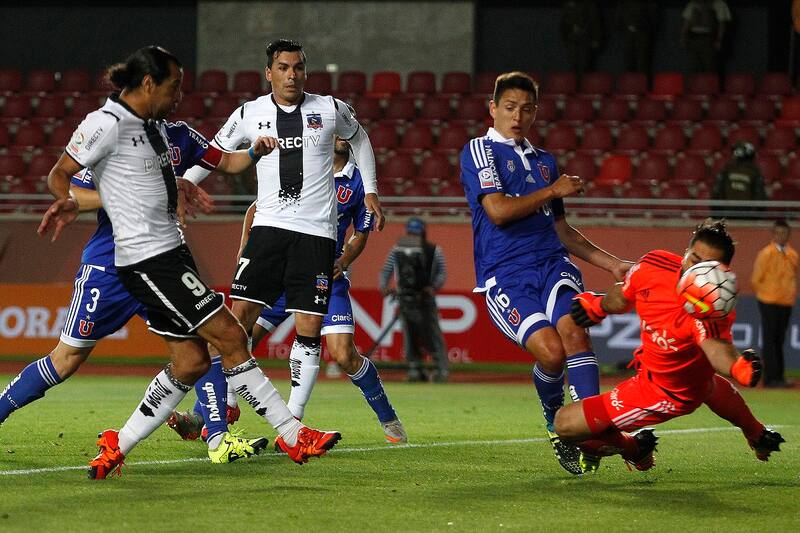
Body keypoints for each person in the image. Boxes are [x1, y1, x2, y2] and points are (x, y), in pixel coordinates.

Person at [38, 46, 341, 479]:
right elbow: (59, 175)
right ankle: (293, 434)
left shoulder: (166, 131)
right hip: (146, 259)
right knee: (230, 336)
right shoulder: (105, 124)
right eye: (175, 85)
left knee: (192, 362)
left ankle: (116, 445)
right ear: (148, 83)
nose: (180, 94)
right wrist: (77, 200)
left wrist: (249, 154)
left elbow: (223, 161)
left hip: (170, 254)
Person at [181, 39, 383, 447]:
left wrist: (372, 190)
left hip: (317, 234)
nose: (292, 75)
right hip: (269, 231)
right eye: (284, 67)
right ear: (269, 73)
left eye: (298, 67)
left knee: (308, 328)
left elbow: (360, 139)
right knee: (236, 324)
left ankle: (293, 422)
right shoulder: (249, 113)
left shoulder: (330, 109)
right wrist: (184, 185)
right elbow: (215, 153)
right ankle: (221, 413)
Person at [170, 137, 407, 444]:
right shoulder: (302, 163)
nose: (339, 138)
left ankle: (386, 416)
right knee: (234, 337)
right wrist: (246, 247)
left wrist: (344, 260)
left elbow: (361, 233)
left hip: (322, 275)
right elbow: (257, 208)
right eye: (334, 132)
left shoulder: (359, 181)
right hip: (280, 273)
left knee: (343, 354)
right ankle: (206, 415)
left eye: (344, 133)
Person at [459, 71, 631, 475]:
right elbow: (497, 211)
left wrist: (613, 264)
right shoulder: (479, 151)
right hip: (505, 274)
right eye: (509, 107)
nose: (517, 116)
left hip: (553, 264)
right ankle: (557, 422)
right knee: (551, 353)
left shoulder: (545, 162)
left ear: (536, 112)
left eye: (526, 109)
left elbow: (562, 231)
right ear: (493, 108)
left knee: (574, 331)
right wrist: (553, 190)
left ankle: (591, 428)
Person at [557, 219, 785, 471]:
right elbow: (624, 294)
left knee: (565, 425)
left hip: (665, 394)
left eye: (706, 267)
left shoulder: (710, 307)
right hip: (670, 374)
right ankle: (756, 433)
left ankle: (635, 448)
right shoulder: (654, 264)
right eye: (693, 260)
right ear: (685, 252)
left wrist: (738, 368)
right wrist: (597, 306)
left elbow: (715, 348)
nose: (695, 271)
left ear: (721, 272)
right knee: (705, 384)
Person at [378, 218, 449, 383]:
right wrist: (384, 287)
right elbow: (386, 270)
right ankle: (415, 369)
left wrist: (433, 287)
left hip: (425, 299)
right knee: (409, 335)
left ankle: (441, 368)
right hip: (405, 298)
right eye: (411, 233)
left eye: (416, 233)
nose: (413, 236)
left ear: (423, 233)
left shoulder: (434, 250)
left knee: (432, 334)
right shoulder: (397, 250)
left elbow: (442, 273)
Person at [752, 219, 798, 388]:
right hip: (769, 301)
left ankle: (779, 377)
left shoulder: (793, 255)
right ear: (773, 234)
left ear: (788, 235)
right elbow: (756, 279)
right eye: (778, 233)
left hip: (786, 303)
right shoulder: (766, 254)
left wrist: (790, 295)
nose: (781, 236)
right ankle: (770, 378)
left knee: (779, 340)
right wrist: (765, 295)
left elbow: (793, 278)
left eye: (784, 233)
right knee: (770, 340)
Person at [711, 141, 767, 219]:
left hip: (731, 214)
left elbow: (716, 192)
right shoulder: (727, 169)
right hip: (743, 215)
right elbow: (760, 196)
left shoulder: (727, 168)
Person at [681, 0, 732, 74]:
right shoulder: (692, 4)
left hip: (709, 38)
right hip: (693, 37)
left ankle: (710, 81)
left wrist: (719, 39)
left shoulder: (719, 4)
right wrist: (684, 36)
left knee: (710, 65)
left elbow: (722, 24)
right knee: (694, 66)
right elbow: (687, 22)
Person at [559, 0, 602, 83]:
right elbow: (564, 21)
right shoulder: (568, 4)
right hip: (572, 40)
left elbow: (594, 21)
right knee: (573, 66)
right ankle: (573, 86)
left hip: (585, 40)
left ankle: (583, 87)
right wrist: (566, 36)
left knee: (585, 67)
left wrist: (595, 39)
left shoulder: (590, 4)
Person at [617, 0, 659, 77]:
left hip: (642, 32)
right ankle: (630, 82)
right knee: (629, 62)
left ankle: (641, 83)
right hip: (630, 32)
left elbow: (653, 14)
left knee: (642, 63)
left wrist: (641, 26)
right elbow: (621, 12)